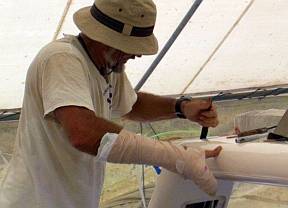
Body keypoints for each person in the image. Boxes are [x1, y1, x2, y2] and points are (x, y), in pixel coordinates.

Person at [0, 0, 222, 207]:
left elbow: (132, 105)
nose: (136, 55)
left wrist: (181, 108)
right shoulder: (62, 59)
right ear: (106, 38)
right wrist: (176, 157)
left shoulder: (107, 65)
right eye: (131, 47)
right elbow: (83, 132)